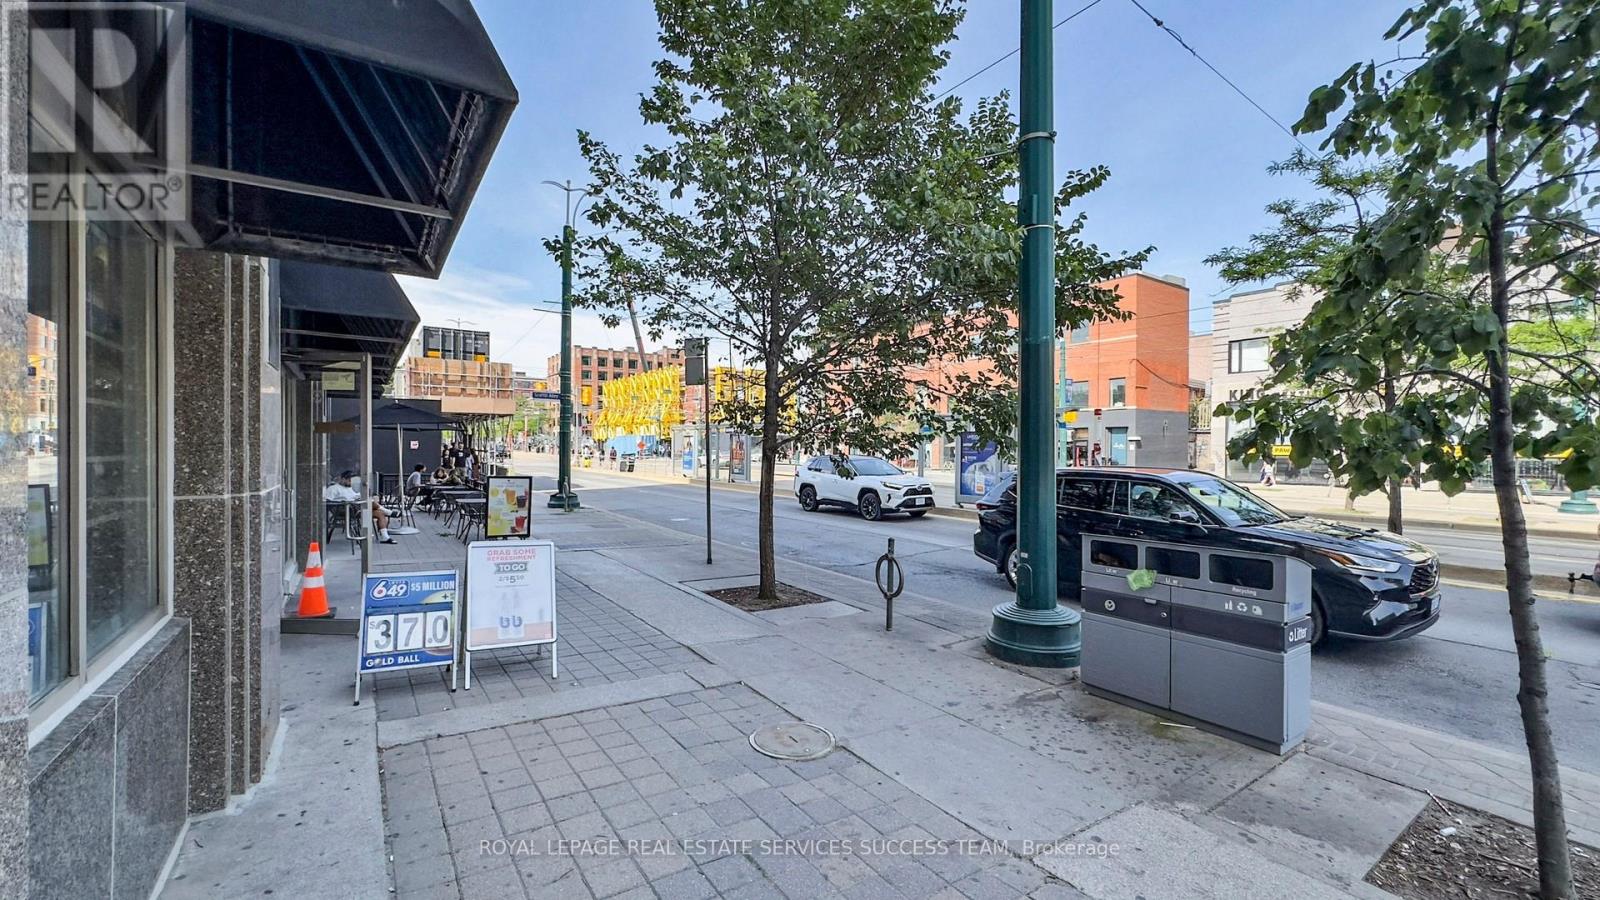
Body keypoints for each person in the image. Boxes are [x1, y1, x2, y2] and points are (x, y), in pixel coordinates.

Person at [325, 471, 395, 544]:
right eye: (349, 480)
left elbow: (356, 495)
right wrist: (341, 503)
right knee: (369, 503)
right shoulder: (333, 489)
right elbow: (327, 502)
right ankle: (388, 512)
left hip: (358, 508)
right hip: (345, 509)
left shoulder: (351, 488)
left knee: (379, 513)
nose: (351, 483)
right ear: (342, 479)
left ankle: (385, 537)